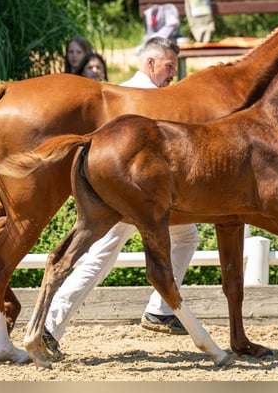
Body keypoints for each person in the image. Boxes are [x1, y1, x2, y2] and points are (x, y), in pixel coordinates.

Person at [43, 36, 199, 357]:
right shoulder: (143, 96)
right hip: (132, 190)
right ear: (150, 63)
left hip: (143, 190)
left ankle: (160, 309)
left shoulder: (137, 91)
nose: (174, 73)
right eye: (169, 66)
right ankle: (50, 324)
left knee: (186, 236)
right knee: (100, 256)